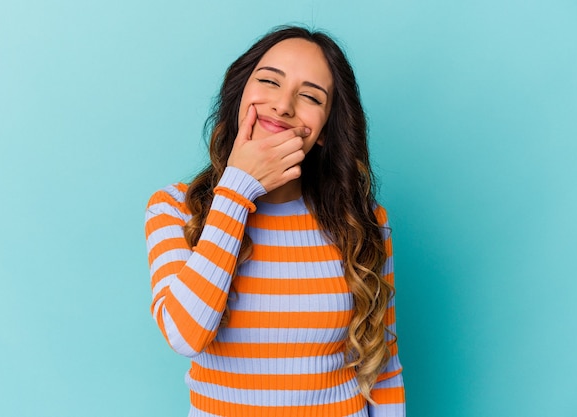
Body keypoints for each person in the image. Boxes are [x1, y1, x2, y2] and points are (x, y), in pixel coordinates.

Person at [145, 25, 405, 417]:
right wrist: (236, 189)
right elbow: (185, 334)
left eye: (310, 96)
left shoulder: (364, 222)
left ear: (322, 132)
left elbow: (382, 367)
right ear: (240, 96)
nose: (283, 105)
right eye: (269, 81)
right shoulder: (174, 209)